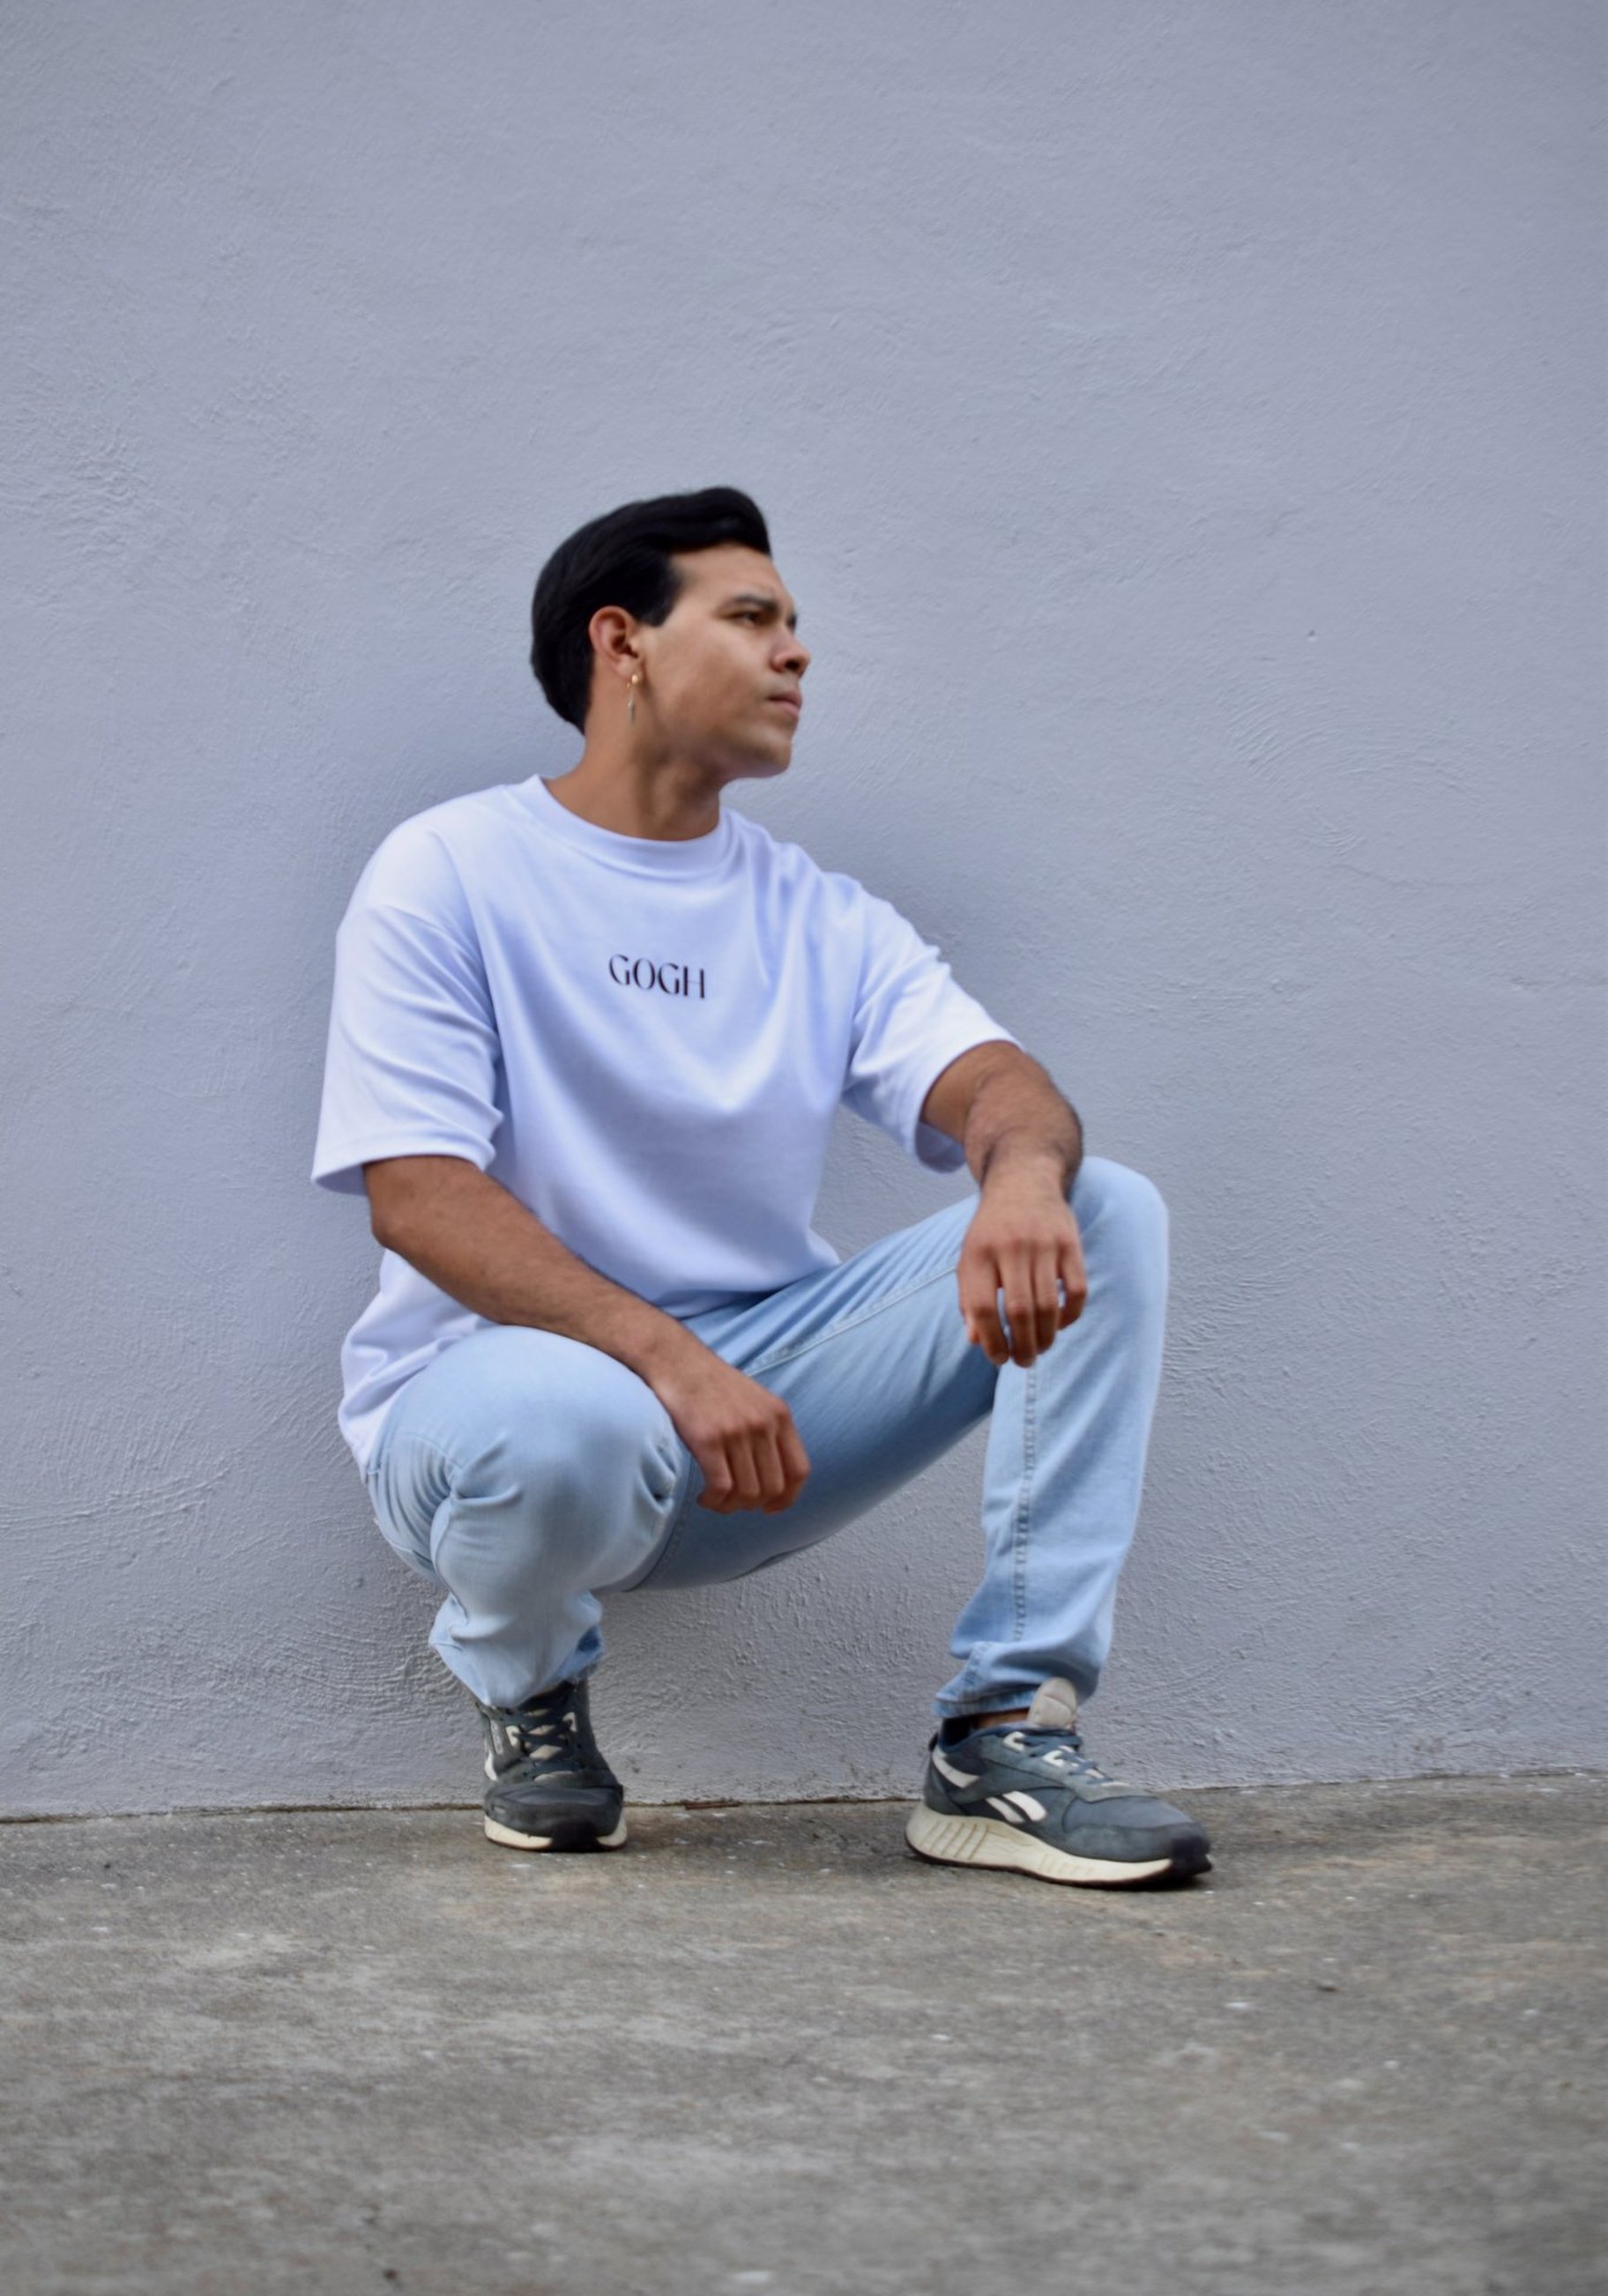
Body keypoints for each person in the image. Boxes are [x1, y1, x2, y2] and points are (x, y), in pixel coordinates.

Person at [310, 487, 1210, 1887]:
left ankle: (1003, 1733)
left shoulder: (816, 915)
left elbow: (998, 1084)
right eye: (751, 619)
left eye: (797, 627)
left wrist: (1024, 1174)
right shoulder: (453, 869)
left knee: (1110, 1208)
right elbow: (418, 1194)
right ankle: (530, 1690)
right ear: (626, 644)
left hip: (763, 1416)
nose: (797, 654)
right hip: (506, 1406)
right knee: (562, 1418)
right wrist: (668, 1362)